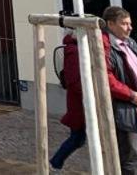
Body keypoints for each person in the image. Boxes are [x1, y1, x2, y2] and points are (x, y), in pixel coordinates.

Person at [102, 6, 137, 174]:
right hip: (123, 106)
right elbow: (107, 78)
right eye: (124, 24)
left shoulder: (130, 43)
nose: (130, 27)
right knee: (130, 154)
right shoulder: (105, 46)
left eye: (130, 23)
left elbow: (134, 69)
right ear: (110, 24)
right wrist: (131, 94)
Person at [49, 32, 86, 171]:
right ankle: (55, 163)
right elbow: (75, 82)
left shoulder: (76, 49)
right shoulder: (74, 51)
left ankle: (55, 162)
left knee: (78, 138)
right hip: (80, 104)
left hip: (80, 103)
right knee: (77, 138)